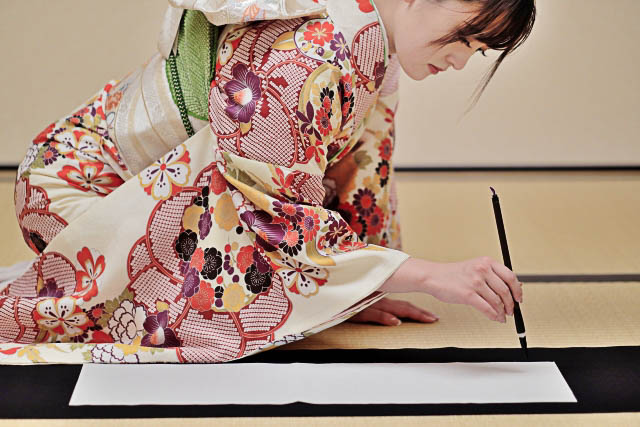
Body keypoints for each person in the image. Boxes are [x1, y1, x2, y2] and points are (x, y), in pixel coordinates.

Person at [1, 0, 535, 364]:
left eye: (479, 49)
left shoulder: (374, 51)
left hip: (162, 192)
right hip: (80, 194)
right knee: (233, 275)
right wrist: (420, 275)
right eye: (465, 36)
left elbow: (358, 176)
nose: (462, 60)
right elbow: (269, 213)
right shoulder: (307, 53)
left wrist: (363, 285)